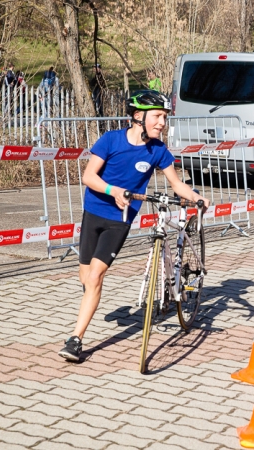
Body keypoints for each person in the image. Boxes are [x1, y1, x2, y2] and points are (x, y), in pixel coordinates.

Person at [58, 89, 209, 362]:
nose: (162, 123)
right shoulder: (111, 140)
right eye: (158, 116)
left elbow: (176, 184)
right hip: (93, 213)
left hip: (120, 220)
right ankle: (90, 297)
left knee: (94, 278)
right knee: (85, 278)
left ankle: (75, 339)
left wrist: (197, 197)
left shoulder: (158, 150)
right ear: (138, 117)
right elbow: (88, 176)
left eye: (165, 117)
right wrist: (113, 190)